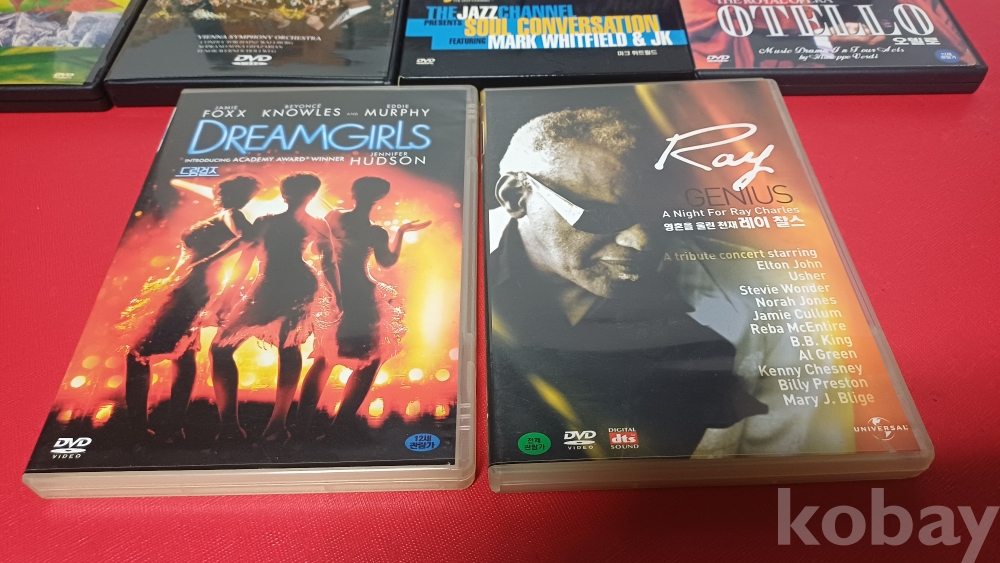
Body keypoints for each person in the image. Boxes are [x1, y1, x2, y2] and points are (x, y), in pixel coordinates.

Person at [487, 107, 768, 459]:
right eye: (602, 215)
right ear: (516, 196)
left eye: (656, 219)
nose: (641, 242)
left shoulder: (741, 309)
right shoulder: (442, 266)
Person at [119, 176, 259, 444]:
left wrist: (208, 261)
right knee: (184, 353)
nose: (223, 196)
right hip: (188, 284)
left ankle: (141, 430)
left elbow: (250, 238)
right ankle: (171, 428)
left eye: (231, 192)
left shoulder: (232, 214)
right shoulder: (225, 216)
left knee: (139, 354)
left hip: (193, 287)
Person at [211, 173, 342, 444]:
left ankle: (273, 425)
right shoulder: (268, 222)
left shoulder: (311, 224)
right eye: (290, 191)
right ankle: (232, 426)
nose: (292, 196)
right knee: (222, 348)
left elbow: (329, 263)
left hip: (297, 284)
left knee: (288, 345)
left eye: (297, 191)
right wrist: (228, 295)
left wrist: (337, 297)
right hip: (269, 283)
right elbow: (247, 258)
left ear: (308, 195)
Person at [294, 177, 428, 439]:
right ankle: (332, 428)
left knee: (330, 357)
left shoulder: (337, 218)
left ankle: (307, 428)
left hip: (345, 291)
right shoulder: (371, 230)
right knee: (357, 359)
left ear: (354, 193)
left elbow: (321, 251)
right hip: (357, 293)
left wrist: (400, 232)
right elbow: (385, 261)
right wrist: (400, 233)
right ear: (378, 199)